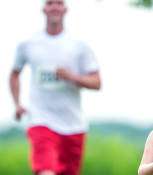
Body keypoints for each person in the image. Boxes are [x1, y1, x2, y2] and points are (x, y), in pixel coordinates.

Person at [9, 0, 101, 175]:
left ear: (65, 9)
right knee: (45, 170)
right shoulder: (28, 44)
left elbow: (96, 82)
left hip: (73, 125)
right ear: (44, 9)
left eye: (59, 3)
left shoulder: (79, 45)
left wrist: (70, 77)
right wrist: (17, 104)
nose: (54, 7)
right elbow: (14, 74)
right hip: (40, 119)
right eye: (50, 3)